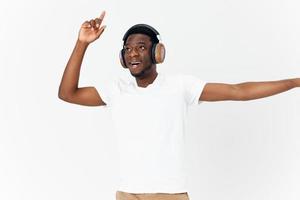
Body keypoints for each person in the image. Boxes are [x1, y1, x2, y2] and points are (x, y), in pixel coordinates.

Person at [58, 11, 300, 200]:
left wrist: (295, 82)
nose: (133, 54)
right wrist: (82, 43)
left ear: (157, 53)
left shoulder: (180, 86)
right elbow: (67, 94)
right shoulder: (115, 91)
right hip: (126, 194)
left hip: (170, 195)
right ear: (122, 58)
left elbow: (239, 91)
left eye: (141, 47)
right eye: (128, 49)